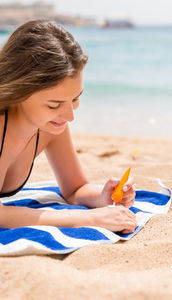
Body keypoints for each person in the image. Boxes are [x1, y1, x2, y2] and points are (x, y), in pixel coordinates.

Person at [0, 19, 136, 234]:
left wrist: (102, 197)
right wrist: (88, 217)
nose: (70, 116)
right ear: (20, 91)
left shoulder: (50, 127)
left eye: (75, 99)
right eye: (55, 104)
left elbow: (74, 189)